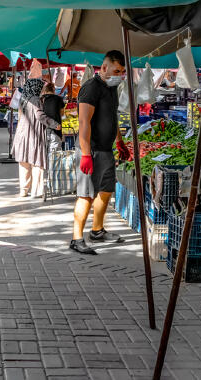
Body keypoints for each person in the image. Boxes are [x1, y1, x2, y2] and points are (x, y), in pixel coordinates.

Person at [70, 51, 129, 255]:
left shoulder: (111, 88)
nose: (119, 75)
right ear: (104, 68)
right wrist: (86, 154)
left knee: (105, 190)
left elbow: (112, 117)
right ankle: (76, 238)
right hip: (91, 150)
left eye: (122, 72)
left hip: (106, 149)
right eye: (116, 70)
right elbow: (84, 122)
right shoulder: (90, 88)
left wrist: (120, 141)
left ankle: (97, 230)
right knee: (85, 195)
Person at [12, 79, 61, 198]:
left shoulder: (23, 99)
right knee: (37, 162)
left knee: (24, 162)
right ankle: (37, 191)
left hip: (21, 133)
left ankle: (24, 190)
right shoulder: (35, 100)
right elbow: (40, 115)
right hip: (33, 133)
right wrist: (55, 124)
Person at [40, 82, 65, 151]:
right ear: (53, 89)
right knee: (55, 150)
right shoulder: (58, 98)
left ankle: (45, 161)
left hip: (43, 126)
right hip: (56, 126)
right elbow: (62, 113)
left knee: (44, 149)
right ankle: (53, 161)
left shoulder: (41, 99)